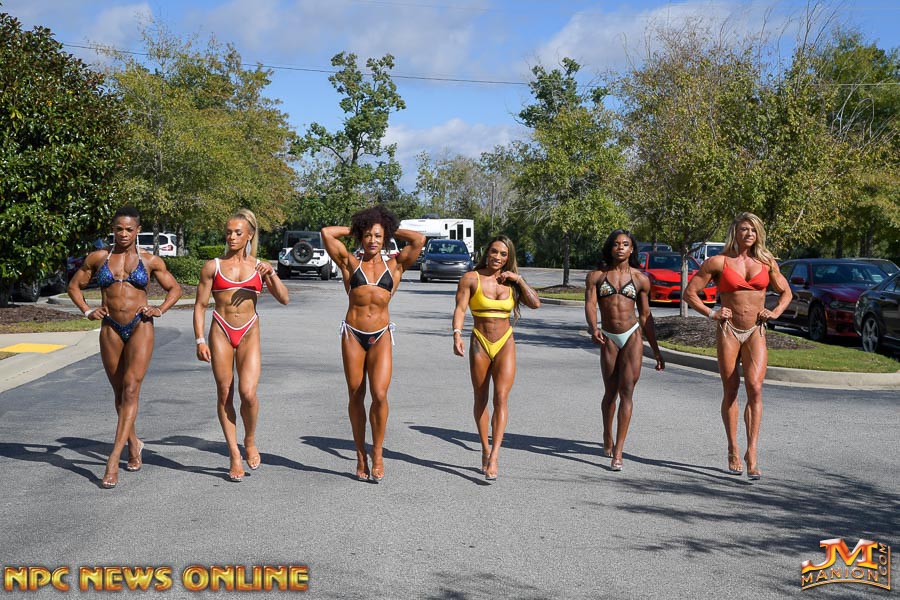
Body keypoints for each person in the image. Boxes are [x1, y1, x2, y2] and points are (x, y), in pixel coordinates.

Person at [68, 206, 183, 489]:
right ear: (113, 229)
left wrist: (159, 309)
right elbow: (74, 286)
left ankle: (112, 460)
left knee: (131, 389)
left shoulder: (150, 260)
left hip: (140, 325)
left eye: (129, 229)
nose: (123, 234)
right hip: (110, 328)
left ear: (138, 231)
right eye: (119, 229)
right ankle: (134, 444)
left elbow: (175, 289)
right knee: (119, 394)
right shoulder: (98, 258)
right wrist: (87, 311)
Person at [321, 206, 425, 483]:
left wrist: (387, 227)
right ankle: (360, 455)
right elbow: (327, 233)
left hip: (380, 335)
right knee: (356, 395)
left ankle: (377, 452)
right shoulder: (349, 263)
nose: (372, 240)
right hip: (353, 334)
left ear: (385, 238)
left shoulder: (396, 265)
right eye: (367, 235)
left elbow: (418, 240)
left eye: (378, 236)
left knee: (379, 395)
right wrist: (357, 227)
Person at [684, 212, 791, 480]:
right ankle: (733, 447)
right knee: (731, 390)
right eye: (744, 229)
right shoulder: (718, 262)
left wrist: (775, 312)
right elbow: (690, 293)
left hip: (756, 330)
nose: (749, 234)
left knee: (755, 388)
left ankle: (751, 452)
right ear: (735, 232)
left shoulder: (766, 262)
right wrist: (712, 313)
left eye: (753, 230)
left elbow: (786, 292)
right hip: (728, 331)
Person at [193, 209, 289, 482]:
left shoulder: (260, 266)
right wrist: (200, 339)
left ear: (249, 235)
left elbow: (284, 298)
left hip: (249, 332)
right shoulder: (213, 266)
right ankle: (234, 455)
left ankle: (249, 439)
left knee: (248, 394)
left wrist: (272, 274)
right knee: (225, 392)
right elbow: (200, 305)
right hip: (221, 330)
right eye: (228, 232)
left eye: (238, 232)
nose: (232, 237)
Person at [451, 235, 541, 482]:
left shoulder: (511, 282)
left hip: (505, 342)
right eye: (494, 252)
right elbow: (460, 309)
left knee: (501, 398)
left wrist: (518, 279)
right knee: (481, 397)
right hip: (479, 341)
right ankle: (484, 447)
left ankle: (495, 455)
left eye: (503, 254)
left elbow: (535, 303)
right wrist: (457, 334)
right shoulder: (471, 278)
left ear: (508, 257)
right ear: (486, 252)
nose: (497, 257)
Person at [584, 229, 664, 472]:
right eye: (616, 244)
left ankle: (618, 451)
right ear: (610, 248)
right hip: (608, 336)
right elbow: (590, 304)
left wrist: (656, 350)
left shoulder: (640, 279)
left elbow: (646, 315)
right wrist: (593, 327)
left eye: (625, 244)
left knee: (627, 392)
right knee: (610, 393)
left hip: (632, 336)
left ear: (632, 250)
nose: (620, 247)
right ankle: (607, 434)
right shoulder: (596, 276)